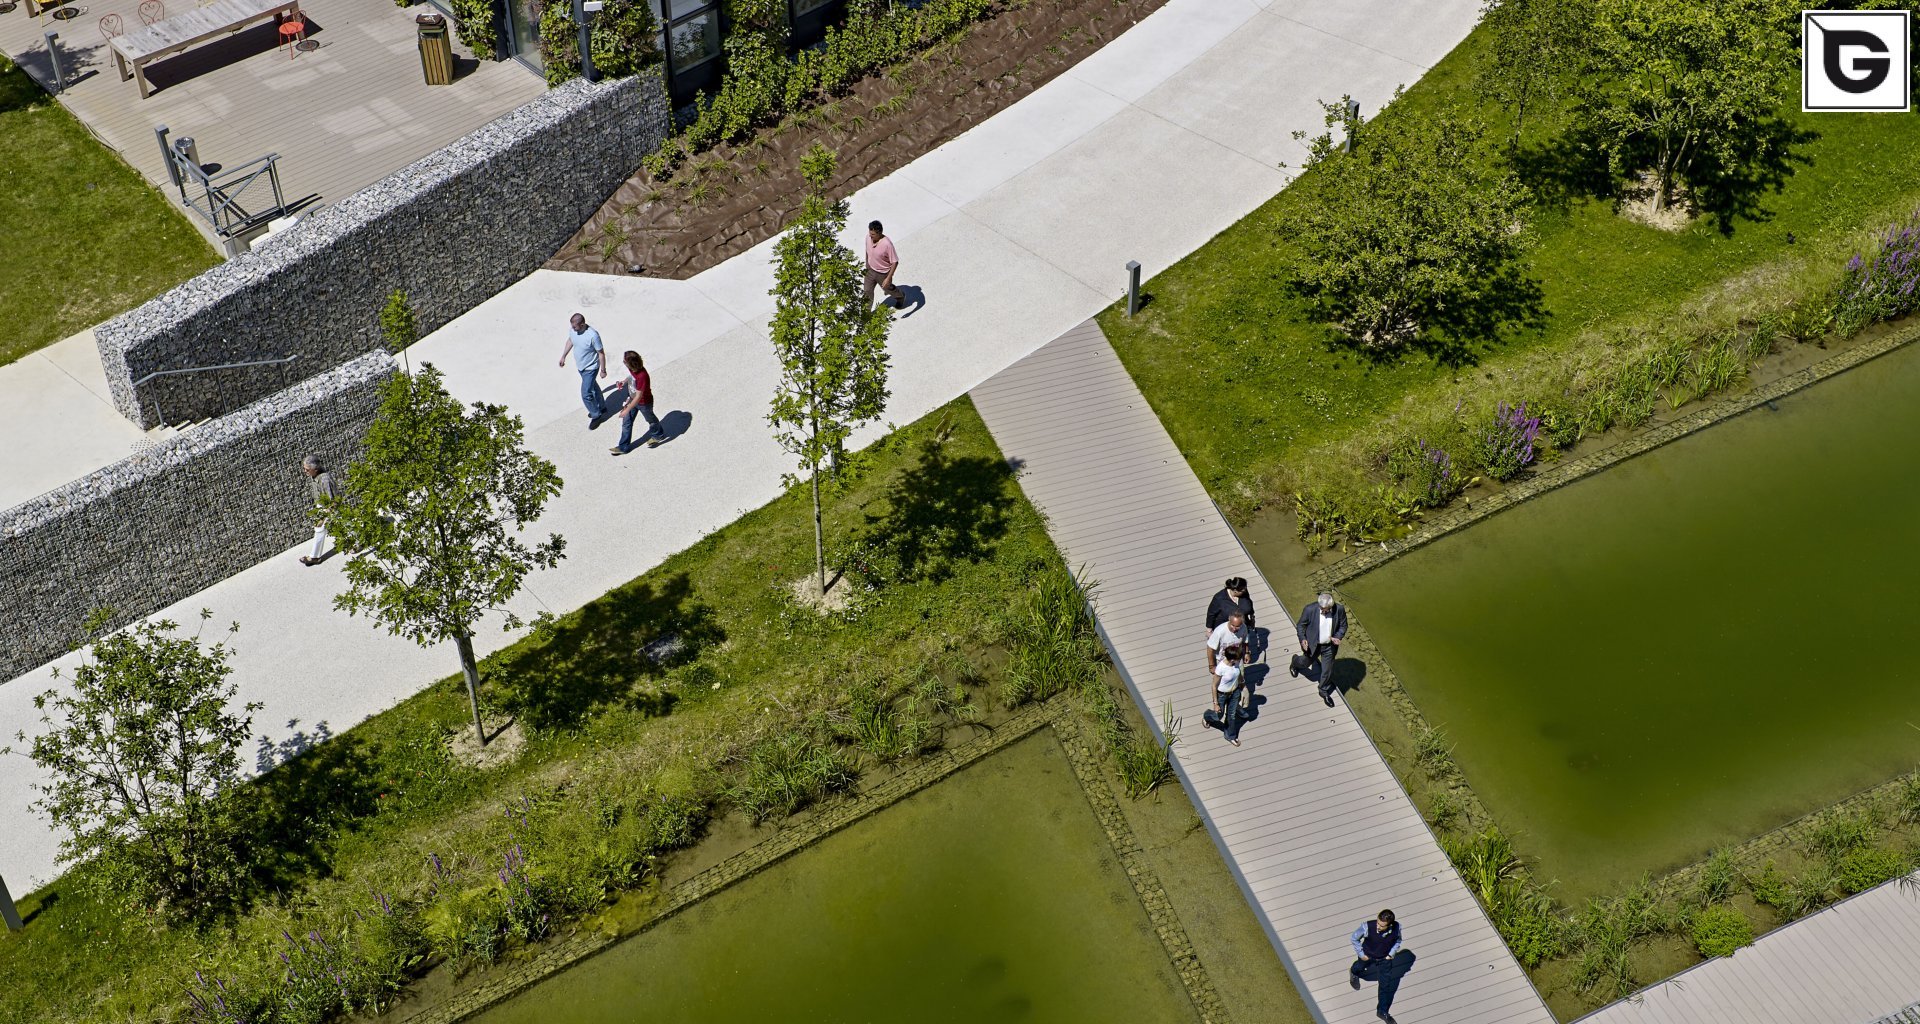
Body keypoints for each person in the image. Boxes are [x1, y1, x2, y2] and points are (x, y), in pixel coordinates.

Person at [1349, 909, 1413, 1022]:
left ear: (1390, 925)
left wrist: (1391, 954)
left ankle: (1382, 1011)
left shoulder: (1397, 928)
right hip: (1367, 956)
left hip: (1384, 959)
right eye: (1378, 922)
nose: (1378, 927)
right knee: (1359, 966)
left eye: (1382, 925)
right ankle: (1354, 973)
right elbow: (1354, 938)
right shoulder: (1367, 926)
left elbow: (1398, 941)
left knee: (1385, 985)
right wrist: (1361, 953)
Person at [1294, 591, 1348, 707]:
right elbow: (1301, 625)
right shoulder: (1310, 609)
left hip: (1329, 646)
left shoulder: (1339, 609)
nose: (1323, 611)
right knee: (1304, 663)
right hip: (1313, 645)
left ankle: (1323, 691)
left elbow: (1343, 626)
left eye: (1326, 609)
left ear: (1331, 606)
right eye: (1321, 608)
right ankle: (1295, 662)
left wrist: (1337, 637)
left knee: (1327, 670)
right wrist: (1303, 639)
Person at [608, 350, 664, 455]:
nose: (623, 362)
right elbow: (631, 377)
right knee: (626, 423)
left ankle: (658, 435)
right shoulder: (632, 369)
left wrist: (627, 409)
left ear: (631, 363)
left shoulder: (642, 376)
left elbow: (638, 397)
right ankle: (623, 447)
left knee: (651, 420)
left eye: (624, 361)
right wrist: (624, 382)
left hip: (644, 403)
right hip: (632, 399)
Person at [558, 313, 609, 428]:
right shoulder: (573, 331)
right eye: (572, 326)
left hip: (591, 368)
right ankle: (602, 407)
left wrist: (603, 370)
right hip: (581, 366)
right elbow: (570, 340)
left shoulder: (593, 335)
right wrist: (563, 356)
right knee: (593, 387)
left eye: (575, 326)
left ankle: (596, 415)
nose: (573, 329)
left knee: (586, 394)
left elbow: (601, 353)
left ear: (582, 324)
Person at [1206, 611, 1253, 710]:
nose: (1234, 629)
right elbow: (1210, 648)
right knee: (1221, 687)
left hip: (1237, 661)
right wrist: (1212, 665)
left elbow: (1245, 641)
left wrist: (1247, 652)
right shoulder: (1220, 631)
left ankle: (1236, 706)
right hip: (1222, 663)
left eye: (1237, 627)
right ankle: (1217, 707)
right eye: (1232, 625)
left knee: (1238, 682)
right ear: (1229, 620)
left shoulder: (1243, 627)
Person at [298, 455, 338, 567]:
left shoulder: (324, 479)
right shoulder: (314, 476)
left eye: (307, 469)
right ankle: (360, 541)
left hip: (330, 507)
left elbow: (333, 501)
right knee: (345, 524)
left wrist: (323, 516)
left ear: (315, 469)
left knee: (320, 528)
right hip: (323, 506)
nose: (304, 471)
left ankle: (314, 557)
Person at [1206, 644, 1247, 747]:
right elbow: (1214, 686)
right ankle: (1207, 716)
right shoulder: (1221, 668)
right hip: (1222, 695)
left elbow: (1239, 674)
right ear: (1232, 659)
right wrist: (1215, 703)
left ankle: (1230, 735)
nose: (1239, 660)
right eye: (1238, 658)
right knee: (1218, 715)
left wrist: (1242, 684)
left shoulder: (1236, 663)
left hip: (1234, 692)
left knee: (1231, 716)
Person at [1206, 577, 1258, 659]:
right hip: (1226, 628)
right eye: (1242, 590)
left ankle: (1239, 657)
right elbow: (1211, 613)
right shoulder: (1219, 598)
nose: (1245, 591)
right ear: (1235, 590)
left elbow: (1249, 604)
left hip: (1242, 626)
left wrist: (1252, 618)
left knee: (1240, 644)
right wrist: (1209, 630)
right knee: (1225, 650)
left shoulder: (1244, 593)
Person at [863, 220, 902, 308]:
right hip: (870, 271)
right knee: (867, 292)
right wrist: (867, 265)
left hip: (883, 274)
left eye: (873, 234)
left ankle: (900, 297)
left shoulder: (887, 244)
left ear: (879, 233)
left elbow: (895, 262)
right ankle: (866, 314)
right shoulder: (868, 238)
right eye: (870, 233)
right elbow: (867, 250)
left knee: (888, 289)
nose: (870, 236)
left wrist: (888, 278)